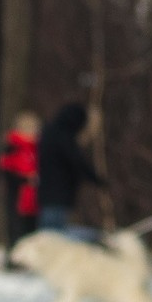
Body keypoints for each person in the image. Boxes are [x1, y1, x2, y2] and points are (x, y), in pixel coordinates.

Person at [33, 101, 105, 236]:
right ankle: (98, 238)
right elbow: (77, 162)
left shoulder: (48, 133)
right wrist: (96, 179)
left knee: (49, 234)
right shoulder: (63, 137)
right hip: (57, 195)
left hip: (47, 194)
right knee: (54, 235)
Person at [0, 111, 40, 251]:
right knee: (16, 228)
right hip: (17, 195)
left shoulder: (37, 148)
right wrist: (25, 179)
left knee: (32, 230)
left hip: (35, 197)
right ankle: (14, 257)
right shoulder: (12, 146)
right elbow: (5, 169)